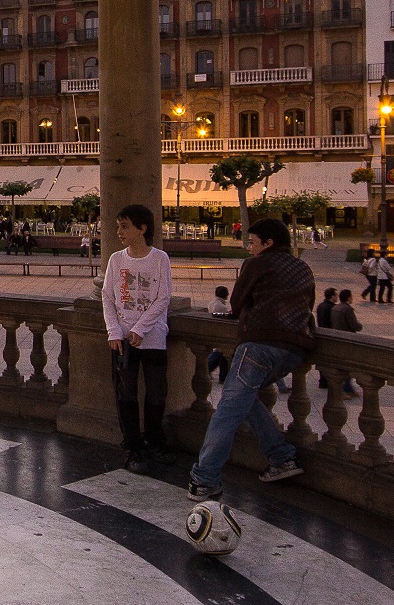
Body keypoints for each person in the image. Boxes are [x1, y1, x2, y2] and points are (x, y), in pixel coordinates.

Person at [187, 217, 308, 503]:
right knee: (243, 395)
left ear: (268, 243)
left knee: (227, 410)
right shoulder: (303, 267)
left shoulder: (257, 264)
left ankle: (204, 479)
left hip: (260, 344)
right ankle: (281, 457)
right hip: (296, 348)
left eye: (253, 243)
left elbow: (237, 303)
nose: (249, 249)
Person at [102, 205, 173, 470]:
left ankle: (154, 441)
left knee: (156, 392)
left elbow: (163, 297)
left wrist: (140, 329)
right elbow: (108, 296)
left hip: (152, 336)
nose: (119, 231)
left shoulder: (159, 259)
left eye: (125, 226)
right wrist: (114, 331)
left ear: (142, 228)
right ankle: (132, 446)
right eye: (118, 226)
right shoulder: (116, 259)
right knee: (126, 394)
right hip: (122, 338)